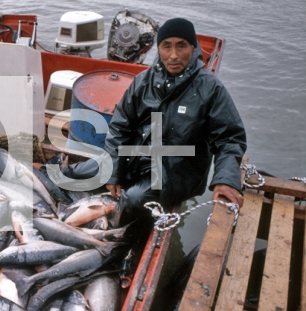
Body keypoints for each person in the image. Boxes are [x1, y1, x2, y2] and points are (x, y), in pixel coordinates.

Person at [104, 18, 246, 222]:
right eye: (166, 46)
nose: (173, 55)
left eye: (181, 46)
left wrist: (226, 180)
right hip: (137, 155)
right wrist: (113, 172)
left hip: (176, 171)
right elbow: (119, 127)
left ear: (193, 48)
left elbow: (229, 140)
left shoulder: (211, 89)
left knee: (134, 199)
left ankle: (121, 237)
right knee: (83, 174)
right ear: (158, 48)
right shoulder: (143, 81)